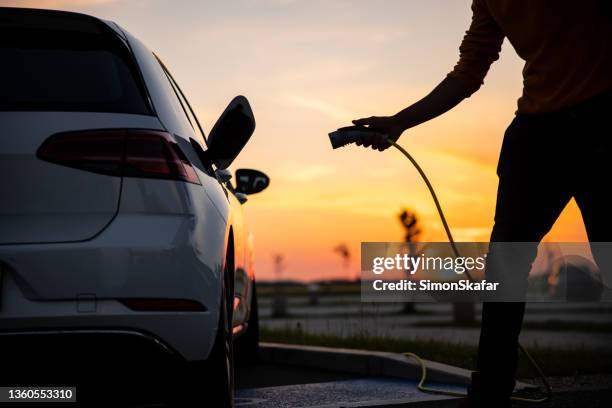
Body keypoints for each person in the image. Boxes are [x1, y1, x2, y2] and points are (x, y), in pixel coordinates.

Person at [353, 1, 612, 406]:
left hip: (604, 118)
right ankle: (492, 383)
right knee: (505, 260)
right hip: (537, 131)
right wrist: (400, 120)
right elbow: (469, 71)